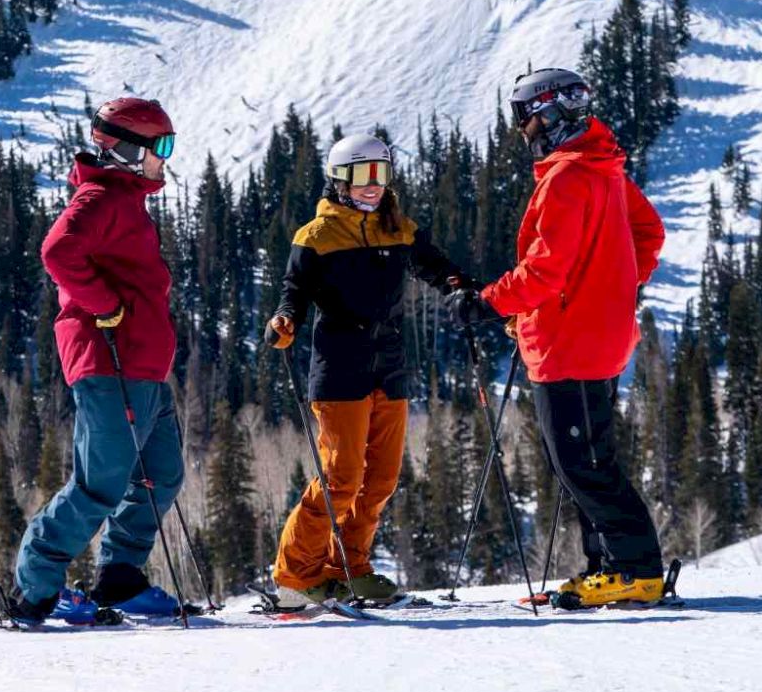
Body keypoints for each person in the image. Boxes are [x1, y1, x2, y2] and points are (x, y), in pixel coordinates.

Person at [449, 67, 668, 608]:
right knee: (585, 460)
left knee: (581, 464)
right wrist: (611, 283)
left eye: (525, 123)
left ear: (548, 115)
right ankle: (609, 569)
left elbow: (545, 271)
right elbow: (649, 233)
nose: (525, 135)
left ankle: (636, 570)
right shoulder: (604, 167)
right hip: (596, 335)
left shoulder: (570, 176)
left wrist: (485, 301)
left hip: (570, 343)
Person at [0, 96, 184, 625]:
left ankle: (119, 576)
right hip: (109, 367)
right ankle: (35, 591)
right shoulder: (101, 198)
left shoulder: (126, 200)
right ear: (127, 150)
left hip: (143, 370)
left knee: (161, 475)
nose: (165, 157)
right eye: (161, 146)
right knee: (98, 485)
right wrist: (104, 305)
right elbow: (58, 252)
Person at [263, 133, 467, 609]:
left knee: (380, 479)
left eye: (381, 174)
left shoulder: (399, 227)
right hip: (340, 368)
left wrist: (462, 288)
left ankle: (348, 568)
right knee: (341, 478)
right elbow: (294, 292)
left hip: (389, 366)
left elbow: (437, 267)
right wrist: (285, 321)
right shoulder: (316, 236)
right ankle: (295, 575)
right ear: (339, 180)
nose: (373, 185)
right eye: (361, 176)